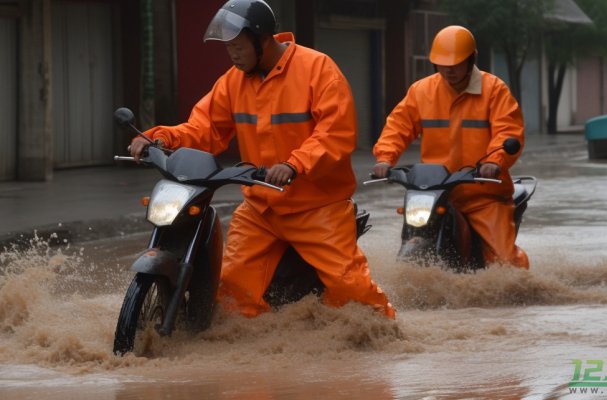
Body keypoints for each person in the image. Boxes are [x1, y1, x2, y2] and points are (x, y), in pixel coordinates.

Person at [128, 0, 395, 319]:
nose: (233, 55)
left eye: (238, 47)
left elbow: (336, 132)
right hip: (260, 208)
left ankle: (387, 337)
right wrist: (159, 138)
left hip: (317, 206)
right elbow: (205, 128)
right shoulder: (232, 81)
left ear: (263, 39)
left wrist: (294, 164)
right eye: (229, 49)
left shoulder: (317, 69)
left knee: (352, 291)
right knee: (230, 295)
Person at [371, 25, 529, 269]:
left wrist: (494, 162)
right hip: (433, 191)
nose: (449, 69)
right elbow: (398, 126)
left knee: (504, 262)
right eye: (442, 64)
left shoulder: (494, 90)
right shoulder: (421, 90)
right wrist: (384, 159)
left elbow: (508, 131)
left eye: (455, 63)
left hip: (483, 193)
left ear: (471, 59)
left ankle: (520, 291)